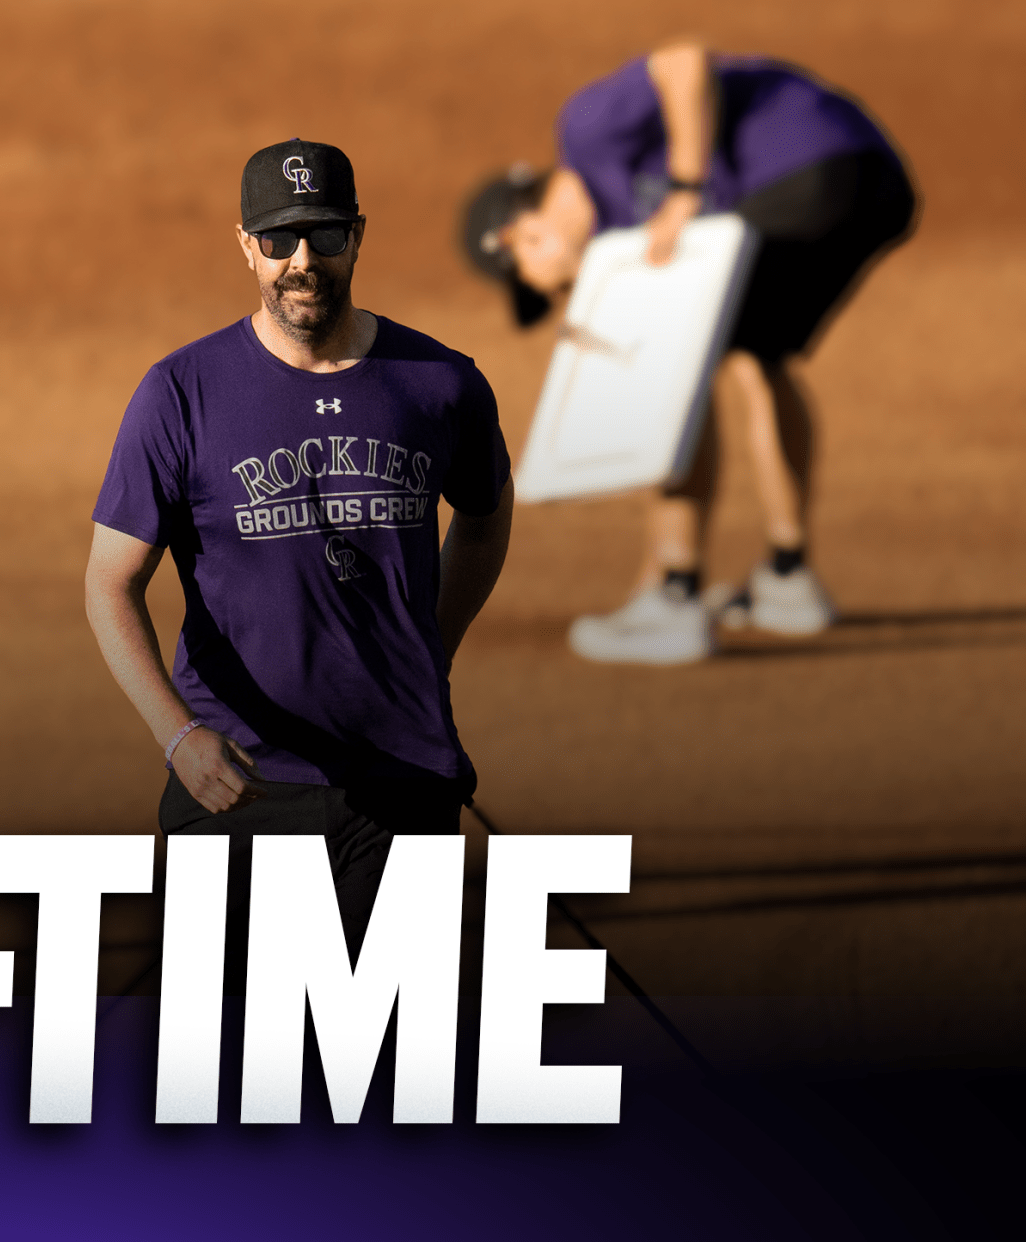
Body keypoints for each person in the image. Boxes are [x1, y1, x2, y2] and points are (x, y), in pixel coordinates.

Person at [85, 140, 513, 964]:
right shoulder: (179, 394)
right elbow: (110, 584)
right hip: (239, 785)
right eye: (279, 242)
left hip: (404, 773)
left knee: (389, 1062)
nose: (302, 262)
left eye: (324, 236)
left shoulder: (442, 383)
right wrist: (178, 737)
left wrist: (431, 648)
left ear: (358, 235)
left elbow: (487, 517)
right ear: (246, 245)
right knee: (229, 1069)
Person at [463, 42, 915, 664]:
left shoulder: (586, 132)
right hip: (870, 182)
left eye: (538, 280)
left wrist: (685, 188)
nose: (560, 293)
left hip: (807, 165)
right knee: (759, 355)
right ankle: (789, 578)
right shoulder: (623, 226)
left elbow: (682, 63)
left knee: (678, 362)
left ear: (520, 232)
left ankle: (673, 591)